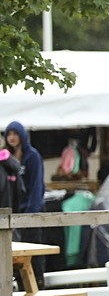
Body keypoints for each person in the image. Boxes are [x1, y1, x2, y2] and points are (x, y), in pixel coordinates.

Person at [5, 121, 46, 284]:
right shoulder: (6, 157)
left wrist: (31, 213)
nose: (12, 138)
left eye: (15, 134)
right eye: (9, 134)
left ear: (22, 135)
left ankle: (38, 282)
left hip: (31, 212)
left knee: (33, 250)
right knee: (15, 252)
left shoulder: (32, 156)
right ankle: (20, 284)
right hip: (12, 214)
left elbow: (36, 185)